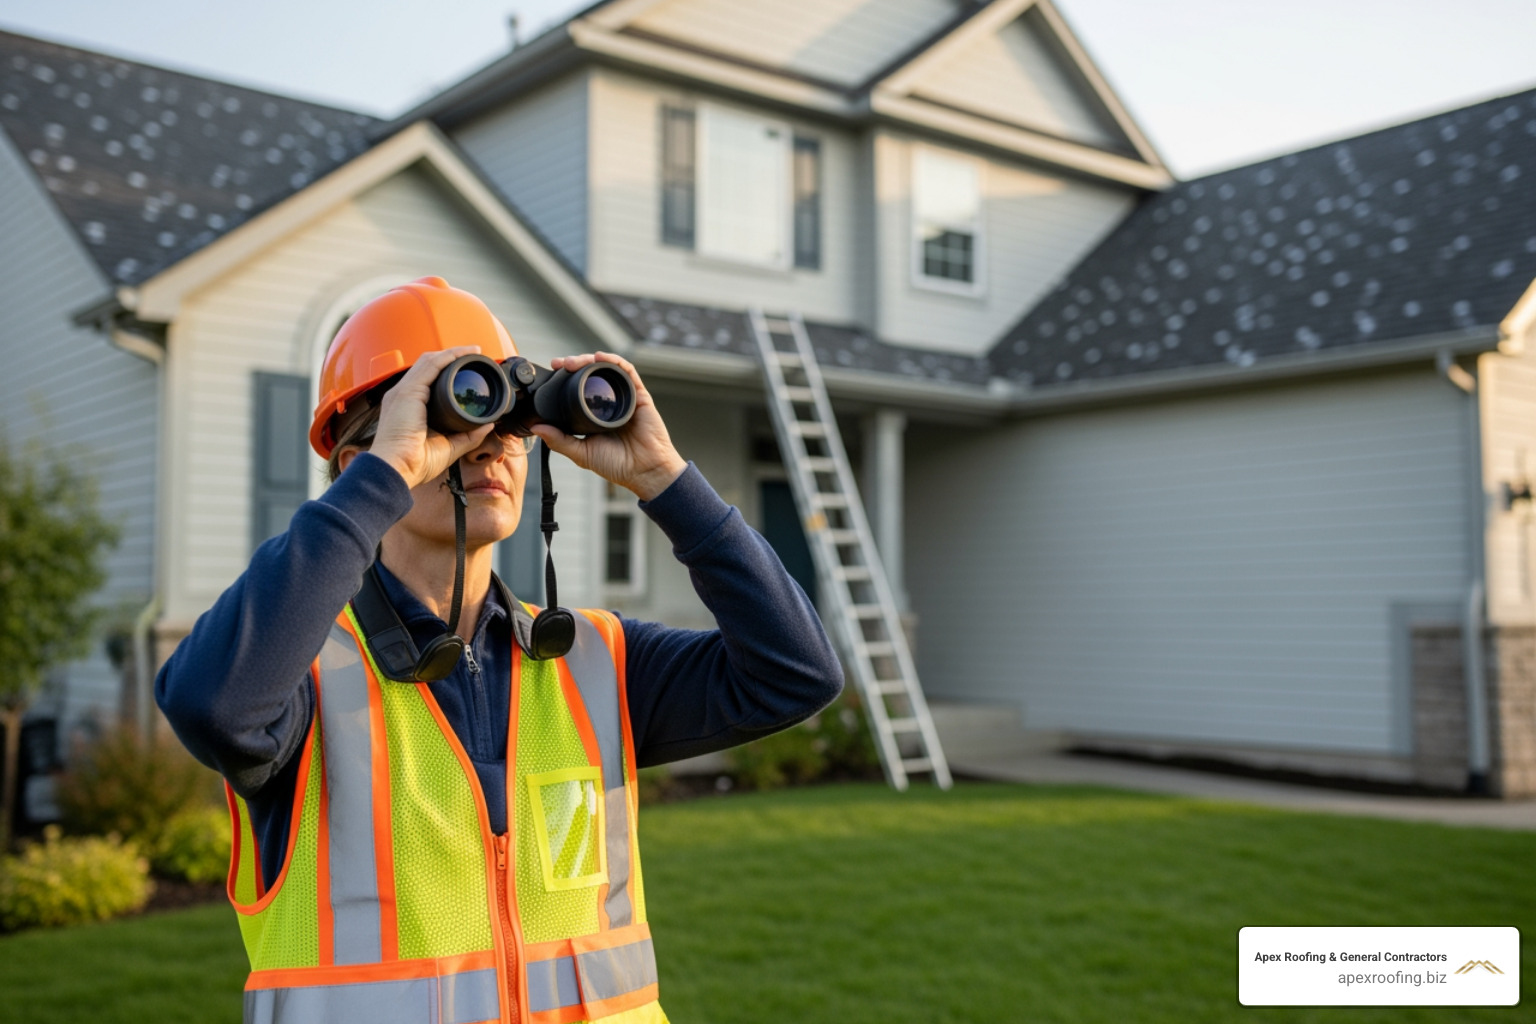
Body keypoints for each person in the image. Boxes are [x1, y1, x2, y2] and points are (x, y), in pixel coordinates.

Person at [156, 276, 843, 1024]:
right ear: (361, 465)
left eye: (510, 426)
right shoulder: (306, 677)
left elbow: (796, 673)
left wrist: (665, 481)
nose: (490, 446)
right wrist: (385, 479)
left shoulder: (594, 661)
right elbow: (210, 703)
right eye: (453, 418)